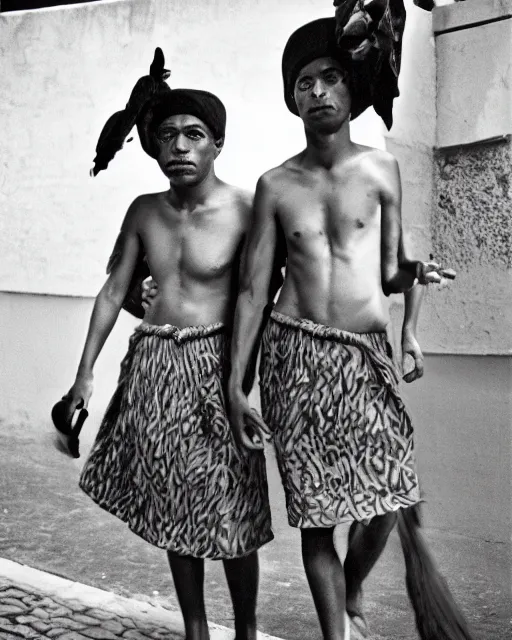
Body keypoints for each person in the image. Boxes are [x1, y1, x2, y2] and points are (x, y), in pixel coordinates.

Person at [227, 18, 462, 640]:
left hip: (363, 355)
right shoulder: (276, 185)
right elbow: (254, 290)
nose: (318, 92)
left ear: (351, 88)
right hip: (293, 356)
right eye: (304, 83)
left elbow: (389, 270)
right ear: (293, 97)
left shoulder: (382, 169)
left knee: (388, 501)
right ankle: (338, 632)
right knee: (317, 515)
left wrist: (412, 314)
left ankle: (354, 587)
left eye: (330, 78)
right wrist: (236, 384)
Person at [60, 49, 273, 640]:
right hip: (154, 369)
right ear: (154, 146)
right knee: (178, 507)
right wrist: (84, 376)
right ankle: (197, 630)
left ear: (217, 144)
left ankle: (248, 631)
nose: (179, 146)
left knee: (233, 511)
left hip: (218, 371)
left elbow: (266, 297)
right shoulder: (144, 211)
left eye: (194, 135)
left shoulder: (247, 210)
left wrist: (246, 380)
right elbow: (113, 292)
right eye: (168, 136)